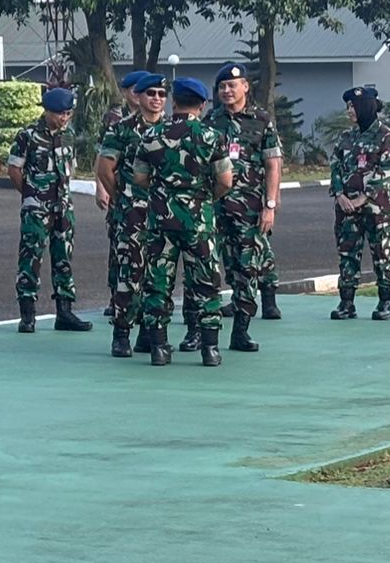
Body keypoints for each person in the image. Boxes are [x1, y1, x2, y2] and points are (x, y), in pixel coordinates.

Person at [133, 77, 233, 367]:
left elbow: (139, 177)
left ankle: (159, 348)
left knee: (158, 283)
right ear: (201, 105)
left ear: (173, 102)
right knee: (205, 283)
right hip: (199, 222)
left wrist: (161, 192)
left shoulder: (151, 136)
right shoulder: (212, 137)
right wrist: (205, 198)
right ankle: (210, 349)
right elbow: (226, 180)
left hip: (161, 220)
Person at [203, 62, 284, 352]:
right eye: (222, 86)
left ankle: (241, 331)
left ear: (245, 87)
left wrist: (270, 205)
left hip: (250, 210)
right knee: (221, 267)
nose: (226, 91)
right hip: (217, 208)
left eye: (232, 85)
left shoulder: (261, 120)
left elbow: (273, 164)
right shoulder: (211, 121)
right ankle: (205, 329)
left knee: (247, 269)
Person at [7, 86, 92, 333]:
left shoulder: (69, 135)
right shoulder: (28, 135)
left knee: (63, 258)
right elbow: (14, 170)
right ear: (47, 111)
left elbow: (69, 169)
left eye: (68, 113)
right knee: (30, 258)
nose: (64, 118)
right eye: (59, 114)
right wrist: (31, 195)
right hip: (37, 208)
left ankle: (64, 312)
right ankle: (27, 314)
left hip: (64, 207)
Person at [95, 72, 168, 358]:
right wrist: (122, 197)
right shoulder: (122, 128)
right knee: (129, 273)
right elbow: (105, 168)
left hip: (163, 214)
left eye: (162, 95)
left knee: (158, 274)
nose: (156, 100)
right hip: (131, 212)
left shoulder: (171, 129)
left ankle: (150, 333)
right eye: (151, 94)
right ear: (138, 96)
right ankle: (121, 333)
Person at [329, 84, 390, 321]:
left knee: (382, 255)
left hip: (376, 210)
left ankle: (385, 302)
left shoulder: (386, 136)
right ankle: (346, 303)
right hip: (347, 210)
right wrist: (339, 195)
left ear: (366, 107)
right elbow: (335, 167)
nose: (349, 111)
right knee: (347, 254)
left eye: (353, 106)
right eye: (348, 106)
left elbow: (384, 172)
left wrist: (361, 199)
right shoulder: (346, 138)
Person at [99, 71, 149, 315]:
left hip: (152, 205)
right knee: (121, 250)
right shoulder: (116, 120)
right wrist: (109, 192)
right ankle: (117, 300)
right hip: (125, 198)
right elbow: (104, 161)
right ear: (128, 92)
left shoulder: (162, 122)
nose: (141, 95)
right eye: (136, 90)